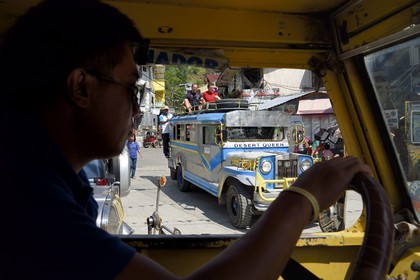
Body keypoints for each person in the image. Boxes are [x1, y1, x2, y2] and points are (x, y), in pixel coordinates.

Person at [0, 0, 374, 279]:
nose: (135, 110)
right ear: (81, 88)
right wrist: (301, 198)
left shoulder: (50, 177)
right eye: (131, 90)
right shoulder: (22, 194)